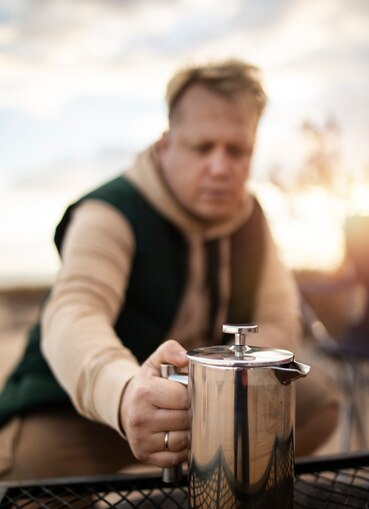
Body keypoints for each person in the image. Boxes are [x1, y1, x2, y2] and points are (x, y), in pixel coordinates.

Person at [0, 59, 339, 481]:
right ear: (166, 144)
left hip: (208, 405)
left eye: (237, 150)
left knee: (318, 403)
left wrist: (226, 394)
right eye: (202, 147)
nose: (220, 166)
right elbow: (73, 314)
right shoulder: (110, 210)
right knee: (21, 497)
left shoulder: (252, 218)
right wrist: (125, 395)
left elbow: (279, 318)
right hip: (84, 407)